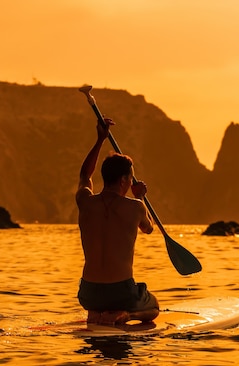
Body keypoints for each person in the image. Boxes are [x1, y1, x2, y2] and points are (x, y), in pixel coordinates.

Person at [76, 118, 159, 325]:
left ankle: (96, 313)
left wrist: (100, 140)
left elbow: (85, 174)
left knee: (97, 300)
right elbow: (149, 228)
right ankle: (124, 315)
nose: (131, 182)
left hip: (88, 294)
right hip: (121, 292)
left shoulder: (85, 202)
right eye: (130, 178)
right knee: (154, 307)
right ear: (123, 180)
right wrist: (139, 196)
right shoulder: (135, 207)